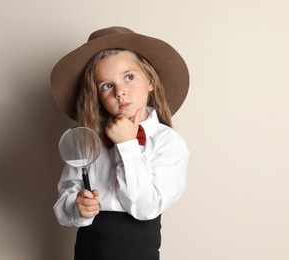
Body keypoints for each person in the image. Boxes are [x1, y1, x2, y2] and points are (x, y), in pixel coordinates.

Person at [51, 26, 190, 259]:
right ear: (97, 96)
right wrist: (78, 207)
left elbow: (146, 207)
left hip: (137, 250)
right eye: (107, 85)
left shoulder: (168, 143)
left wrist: (127, 145)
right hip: (88, 250)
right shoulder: (88, 142)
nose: (120, 92)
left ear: (150, 80)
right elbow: (64, 204)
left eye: (129, 77)